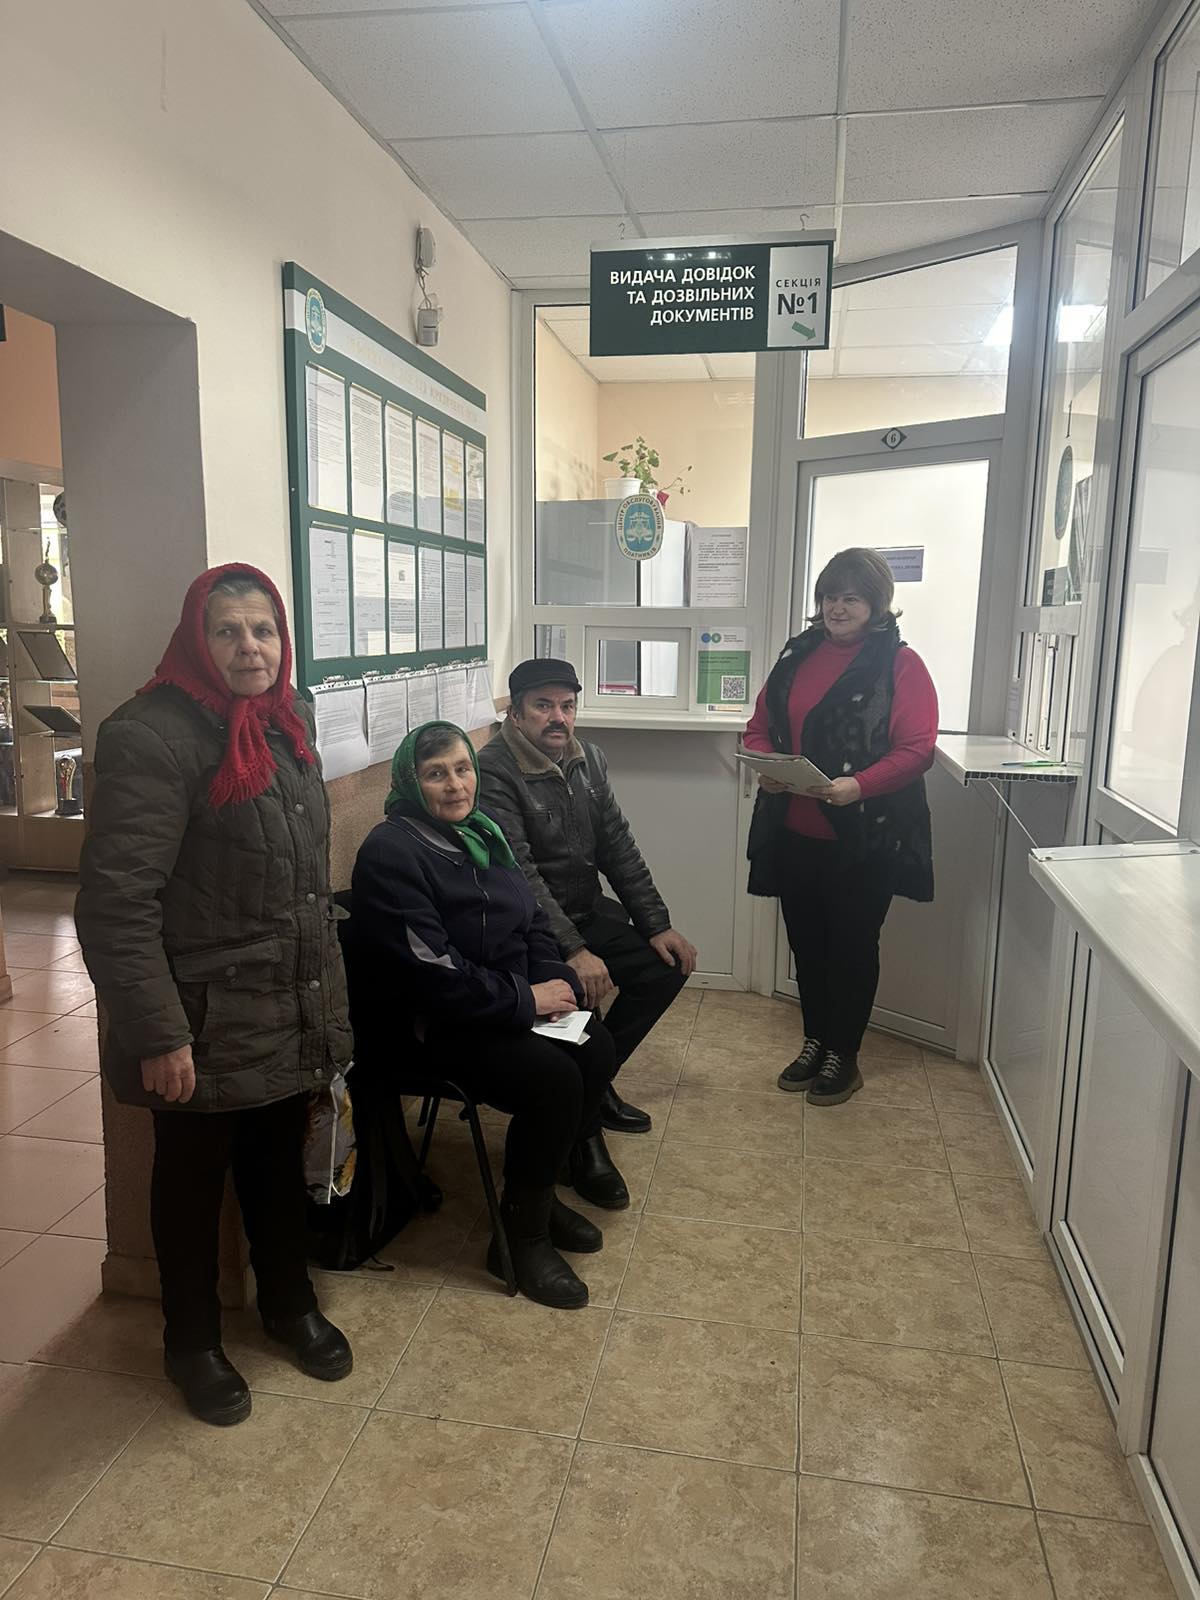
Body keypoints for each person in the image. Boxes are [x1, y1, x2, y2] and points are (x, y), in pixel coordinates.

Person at [75, 565, 354, 1426]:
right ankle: (191, 1341)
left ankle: (288, 1305)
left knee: (275, 1163)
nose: (249, 648)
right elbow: (117, 903)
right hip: (198, 1016)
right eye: (227, 631)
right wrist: (158, 1034)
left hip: (286, 999)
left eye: (263, 630)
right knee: (192, 1184)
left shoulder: (289, 719)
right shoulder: (149, 736)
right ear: (197, 639)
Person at [349, 721, 629, 1311]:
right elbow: (433, 974)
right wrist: (527, 1000)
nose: (455, 785)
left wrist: (554, 982)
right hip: (430, 1025)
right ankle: (520, 1240)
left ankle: (536, 1199)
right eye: (436, 774)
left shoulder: (483, 831)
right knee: (552, 1080)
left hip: (495, 1002)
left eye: (462, 768)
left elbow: (532, 921)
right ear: (410, 782)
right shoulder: (392, 851)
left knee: (594, 1047)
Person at [744, 547, 937, 1106]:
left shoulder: (901, 664)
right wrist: (768, 766)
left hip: (864, 837)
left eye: (851, 598)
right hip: (794, 831)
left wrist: (859, 785)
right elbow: (759, 727)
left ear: (877, 604)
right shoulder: (797, 654)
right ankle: (815, 1041)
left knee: (851, 947)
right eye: (829, 596)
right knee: (806, 945)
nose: (837, 608)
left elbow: (917, 749)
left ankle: (843, 1056)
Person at [477, 659, 697, 1133]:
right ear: (515, 713)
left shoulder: (588, 758)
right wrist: (575, 949)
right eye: (543, 706)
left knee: (665, 966)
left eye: (567, 706)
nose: (558, 717)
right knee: (579, 1001)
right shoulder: (493, 770)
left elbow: (617, 846)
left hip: (585, 911)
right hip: (529, 931)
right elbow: (520, 873)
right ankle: (584, 1106)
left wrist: (657, 924)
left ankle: (595, 1082)